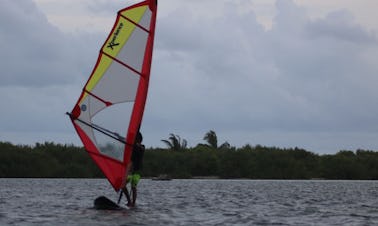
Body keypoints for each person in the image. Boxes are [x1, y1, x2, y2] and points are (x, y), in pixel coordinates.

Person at [122, 131, 145, 207]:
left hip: (137, 171)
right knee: (122, 185)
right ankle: (129, 201)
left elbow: (140, 147)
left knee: (133, 186)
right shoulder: (131, 146)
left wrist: (135, 144)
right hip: (130, 170)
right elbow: (124, 140)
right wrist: (118, 136)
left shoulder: (142, 147)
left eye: (136, 139)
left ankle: (133, 203)